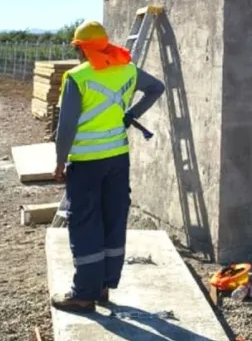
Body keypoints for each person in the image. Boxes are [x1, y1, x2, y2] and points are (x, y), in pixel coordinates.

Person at [50, 20, 165, 313]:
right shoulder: (127, 68)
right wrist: (129, 115)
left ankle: (84, 295)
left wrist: (60, 162)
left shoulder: (78, 77)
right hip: (117, 158)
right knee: (113, 218)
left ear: (81, 49)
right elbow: (156, 88)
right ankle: (103, 285)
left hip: (87, 163)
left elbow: (66, 128)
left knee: (86, 223)